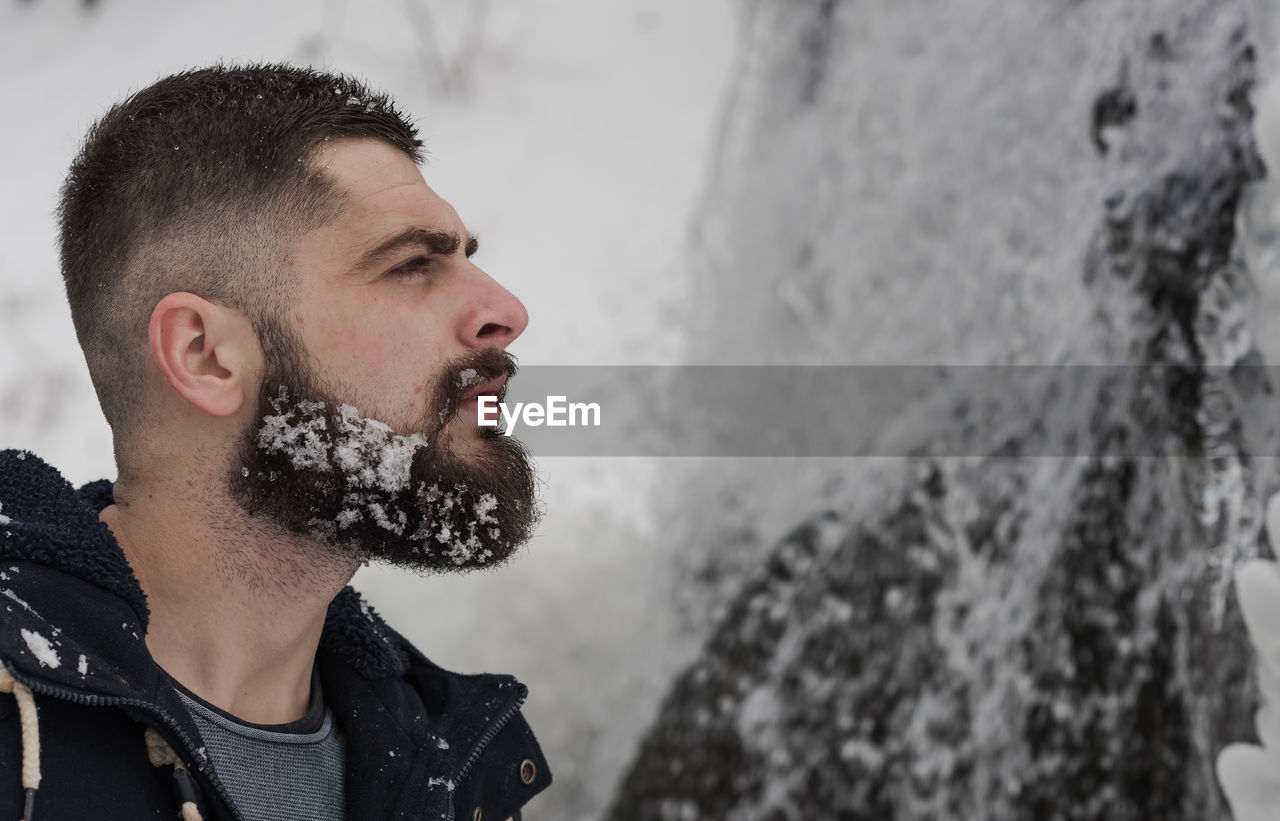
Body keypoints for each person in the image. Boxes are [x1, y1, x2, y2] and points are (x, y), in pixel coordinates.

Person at [0, 63, 550, 821]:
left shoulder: (447, 770)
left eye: (466, 257)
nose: (505, 309)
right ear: (204, 354)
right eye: (411, 266)